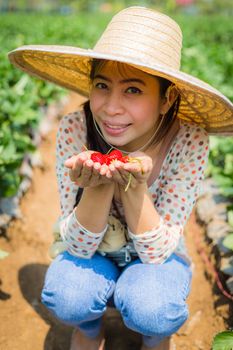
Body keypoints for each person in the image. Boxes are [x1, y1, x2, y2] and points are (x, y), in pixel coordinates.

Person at [8, 6, 233, 350]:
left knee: (153, 309)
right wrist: (97, 187)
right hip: (93, 252)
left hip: (154, 260)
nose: (111, 107)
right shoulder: (75, 128)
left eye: (132, 90)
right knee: (68, 296)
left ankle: (156, 338)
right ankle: (88, 328)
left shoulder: (189, 140)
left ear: (166, 98)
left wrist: (135, 187)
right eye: (102, 85)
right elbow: (78, 248)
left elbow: (158, 253)